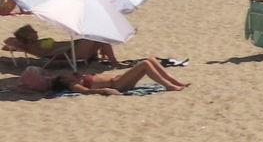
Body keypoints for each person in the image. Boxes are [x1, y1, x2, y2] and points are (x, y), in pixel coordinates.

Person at [28, 56, 190, 94]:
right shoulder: (68, 83)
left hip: (118, 80)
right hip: (117, 85)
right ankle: (169, 86)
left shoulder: (69, 77)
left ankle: (174, 81)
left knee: (151, 59)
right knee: (145, 64)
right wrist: (105, 91)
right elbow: (86, 91)